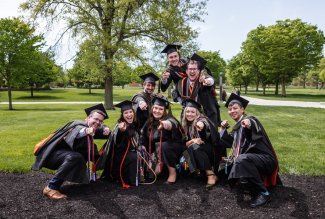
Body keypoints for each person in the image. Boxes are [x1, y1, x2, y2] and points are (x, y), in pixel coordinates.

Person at [32, 103, 110, 200]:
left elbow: (99, 129)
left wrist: (105, 128)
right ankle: (50, 188)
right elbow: (78, 132)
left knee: (79, 156)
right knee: (76, 157)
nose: (98, 122)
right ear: (88, 118)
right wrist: (86, 131)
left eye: (100, 121)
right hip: (51, 156)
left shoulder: (93, 128)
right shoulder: (77, 124)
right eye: (95, 119)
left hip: (63, 156)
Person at [219, 93, 281, 208]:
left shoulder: (250, 120)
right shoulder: (237, 128)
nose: (232, 111)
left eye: (235, 108)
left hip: (266, 160)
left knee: (241, 160)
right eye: (230, 109)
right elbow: (229, 142)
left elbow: (252, 124)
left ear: (242, 109)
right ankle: (246, 182)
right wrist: (223, 129)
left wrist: (248, 124)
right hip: (253, 161)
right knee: (224, 165)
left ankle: (264, 193)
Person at [141, 94, 184, 184]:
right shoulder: (149, 121)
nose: (157, 111)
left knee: (164, 146)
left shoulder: (170, 119)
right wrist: (143, 146)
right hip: (157, 153)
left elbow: (172, 124)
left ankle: (173, 173)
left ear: (165, 111)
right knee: (151, 174)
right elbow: (144, 137)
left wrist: (165, 124)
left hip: (172, 150)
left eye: (161, 109)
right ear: (152, 108)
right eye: (155, 108)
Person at [181, 99, 223, 188]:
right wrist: (192, 141)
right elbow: (183, 145)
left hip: (210, 153)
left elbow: (204, 123)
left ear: (197, 113)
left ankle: (210, 174)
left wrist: (201, 125)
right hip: (197, 152)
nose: (189, 114)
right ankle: (197, 171)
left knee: (194, 147)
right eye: (187, 111)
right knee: (189, 148)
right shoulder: (184, 125)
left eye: (193, 112)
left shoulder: (202, 119)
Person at [100, 100, 142, 188]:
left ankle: (141, 176)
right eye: (126, 113)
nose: (129, 114)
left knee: (142, 153)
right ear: (122, 115)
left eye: (131, 112)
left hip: (132, 150)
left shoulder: (135, 123)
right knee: (134, 156)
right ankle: (131, 180)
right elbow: (117, 141)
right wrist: (121, 131)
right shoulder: (120, 125)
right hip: (120, 154)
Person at [174, 54, 221, 126]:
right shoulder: (181, 83)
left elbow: (211, 81)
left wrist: (207, 81)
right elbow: (176, 93)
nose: (192, 71)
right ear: (186, 71)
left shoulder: (202, 80)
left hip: (206, 117)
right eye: (190, 69)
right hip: (188, 117)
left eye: (194, 69)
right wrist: (182, 102)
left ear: (199, 71)